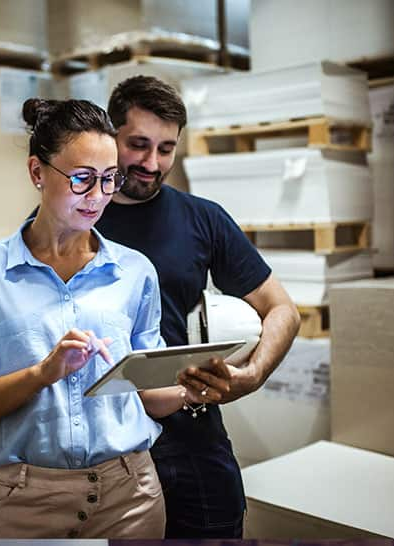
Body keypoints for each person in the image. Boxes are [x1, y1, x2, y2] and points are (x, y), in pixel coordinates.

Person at [0, 99, 200, 539]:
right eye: (82, 179)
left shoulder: (135, 272)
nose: (98, 197)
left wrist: (191, 388)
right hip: (23, 501)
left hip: (130, 496)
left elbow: (144, 394)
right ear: (38, 172)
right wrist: (42, 373)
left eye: (109, 179)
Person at [93, 76, 301, 538]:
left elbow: (282, 309)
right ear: (111, 137)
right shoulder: (71, 219)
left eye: (166, 149)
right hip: (99, 443)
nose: (152, 163)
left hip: (188, 435)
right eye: (139, 145)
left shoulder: (201, 218)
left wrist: (252, 375)